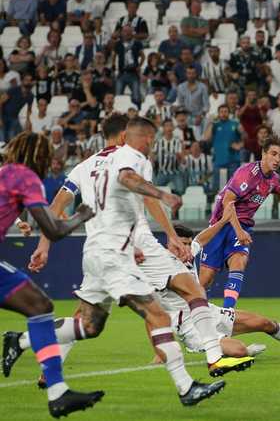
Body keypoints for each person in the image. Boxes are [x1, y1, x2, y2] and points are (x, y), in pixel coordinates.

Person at [18, 115, 253, 388]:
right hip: (136, 242)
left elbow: (56, 206)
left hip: (100, 248)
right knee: (192, 288)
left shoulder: (82, 168)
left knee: (87, 318)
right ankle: (214, 357)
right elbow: (145, 195)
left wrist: (43, 246)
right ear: (123, 136)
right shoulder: (130, 158)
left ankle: (34, 353)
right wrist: (171, 235)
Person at [0, 132, 103, 418]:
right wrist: (81, 215)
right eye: (48, 156)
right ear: (40, 157)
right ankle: (56, 391)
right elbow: (55, 229)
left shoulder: (5, 173)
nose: (50, 162)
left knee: (40, 306)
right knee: (39, 306)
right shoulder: (25, 178)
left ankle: (58, 393)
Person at [152, 222, 280, 362]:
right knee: (239, 351)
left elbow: (202, 238)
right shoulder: (159, 267)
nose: (188, 248)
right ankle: (241, 351)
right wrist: (161, 350)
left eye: (188, 244)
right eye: (183, 244)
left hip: (209, 312)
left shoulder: (187, 253)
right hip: (192, 328)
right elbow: (151, 311)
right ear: (170, 243)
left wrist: (225, 218)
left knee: (264, 323)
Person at [198, 136, 280, 308]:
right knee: (205, 278)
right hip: (220, 224)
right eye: (274, 154)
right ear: (264, 153)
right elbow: (227, 202)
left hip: (243, 224)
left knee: (239, 262)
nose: (277, 159)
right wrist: (239, 231)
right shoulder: (247, 174)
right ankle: (193, 315)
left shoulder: (273, 178)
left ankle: (227, 312)